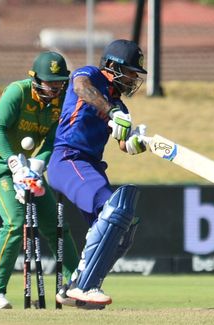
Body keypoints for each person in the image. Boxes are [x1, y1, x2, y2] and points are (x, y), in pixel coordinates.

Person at [47, 39, 148, 307]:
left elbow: (124, 143)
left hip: (90, 166)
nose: (133, 79)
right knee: (114, 211)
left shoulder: (119, 106)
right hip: (68, 158)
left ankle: (74, 288)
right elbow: (81, 88)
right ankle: (86, 286)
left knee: (123, 228)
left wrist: (135, 141)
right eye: (130, 72)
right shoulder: (88, 75)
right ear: (113, 66)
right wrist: (112, 111)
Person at [0, 51, 80, 310]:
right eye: (50, 82)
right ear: (35, 79)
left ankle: (76, 286)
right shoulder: (17, 92)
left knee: (55, 226)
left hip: (28, 166)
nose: (55, 87)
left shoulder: (64, 98)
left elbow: (53, 140)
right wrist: (13, 164)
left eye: (59, 82)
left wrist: (37, 164)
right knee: (15, 222)